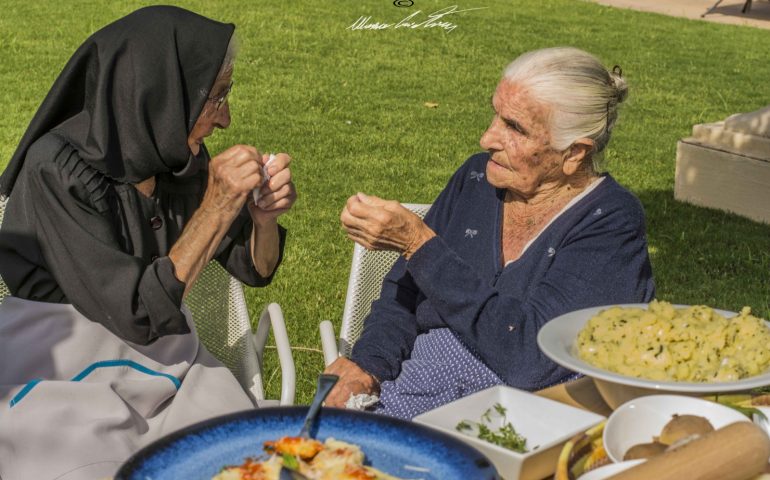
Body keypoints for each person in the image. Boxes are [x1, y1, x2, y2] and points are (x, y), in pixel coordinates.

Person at [0, 6, 296, 479]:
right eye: (216, 97)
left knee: (242, 454)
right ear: (162, 91)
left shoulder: (179, 160)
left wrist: (262, 219)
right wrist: (216, 208)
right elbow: (135, 312)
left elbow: (255, 269)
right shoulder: (56, 171)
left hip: (161, 357)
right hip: (56, 372)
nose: (226, 119)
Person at [325, 47, 655, 419]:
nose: (487, 138)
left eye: (514, 127)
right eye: (495, 115)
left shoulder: (609, 220)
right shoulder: (478, 178)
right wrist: (368, 367)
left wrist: (419, 245)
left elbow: (529, 361)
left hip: (511, 425)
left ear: (574, 153)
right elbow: (403, 291)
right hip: (411, 395)